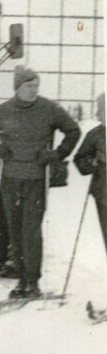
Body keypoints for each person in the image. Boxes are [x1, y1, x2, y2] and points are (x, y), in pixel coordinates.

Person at [0, 65, 81, 299]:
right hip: (10, 179)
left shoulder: (49, 109)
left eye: (36, 85)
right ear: (17, 88)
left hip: (36, 180)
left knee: (31, 230)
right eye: (28, 86)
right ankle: (21, 281)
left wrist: (56, 154)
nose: (33, 90)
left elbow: (73, 130)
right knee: (15, 230)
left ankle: (32, 282)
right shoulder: (4, 111)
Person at [73, 94, 106, 260]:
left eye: (101, 108)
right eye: (100, 108)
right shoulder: (95, 134)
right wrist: (90, 164)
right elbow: (79, 158)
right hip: (104, 195)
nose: (98, 113)